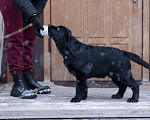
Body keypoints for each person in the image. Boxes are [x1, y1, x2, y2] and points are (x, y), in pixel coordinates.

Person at [0, 0, 51, 99]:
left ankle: (27, 78)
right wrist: (33, 15)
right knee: (15, 38)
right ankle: (18, 84)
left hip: (30, 2)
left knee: (29, 38)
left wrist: (34, 14)